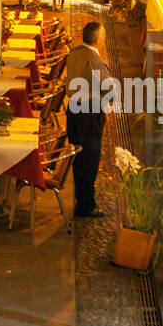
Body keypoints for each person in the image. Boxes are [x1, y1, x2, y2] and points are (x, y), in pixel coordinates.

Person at [65, 20, 116, 219]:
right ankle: (86, 205)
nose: (104, 38)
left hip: (73, 110)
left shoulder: (74, 53)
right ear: (97, 39)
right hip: (89, 112)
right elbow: (107, 87)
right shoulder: (95, 60)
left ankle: (80, 194)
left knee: (78, 153)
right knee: (91, 158)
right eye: (103, 35)